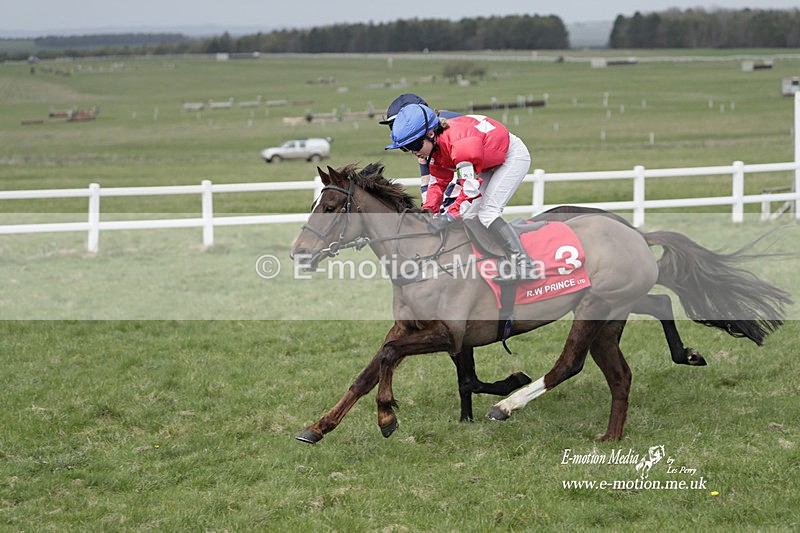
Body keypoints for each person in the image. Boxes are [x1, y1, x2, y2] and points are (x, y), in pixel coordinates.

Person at [384, 103, 536, 282]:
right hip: (487, 160)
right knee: (470, 215)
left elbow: (469, 187)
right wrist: (428, 211)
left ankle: (525, 265)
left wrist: (448, 216)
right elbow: (439, 183)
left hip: (512, 156)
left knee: (488, 213)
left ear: (431, 134)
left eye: (415, 144)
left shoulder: (459, 145)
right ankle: (495, 259)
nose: (413, 152)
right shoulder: (435, 149)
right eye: (406, 148)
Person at [379, 94, 461, 210]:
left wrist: (443, 210)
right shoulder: (426, 141)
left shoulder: (445, 132)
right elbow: (428, 180)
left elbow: (458, 184)